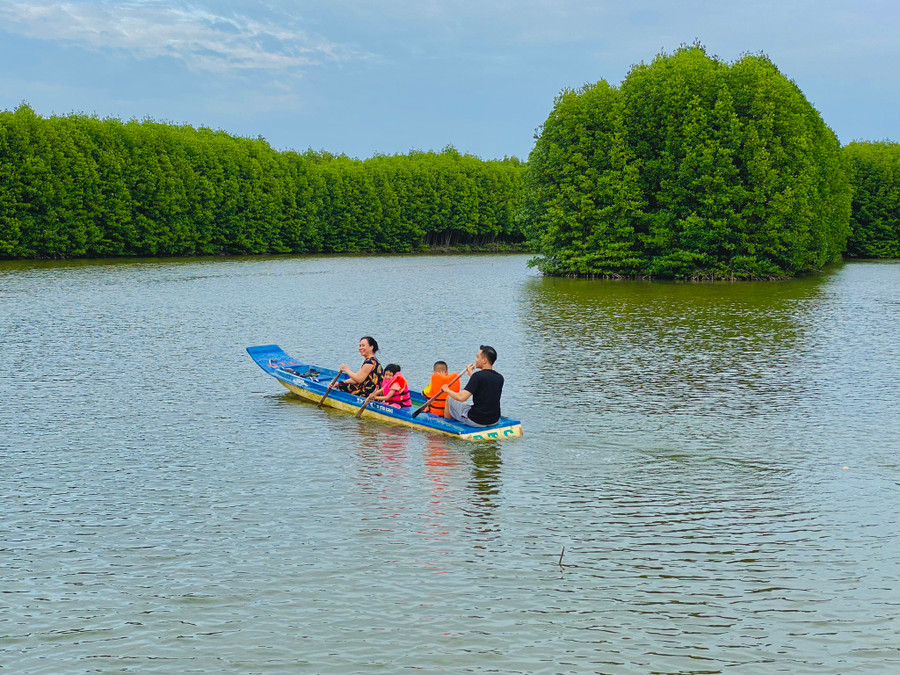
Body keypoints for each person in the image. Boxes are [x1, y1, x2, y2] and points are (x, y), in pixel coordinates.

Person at [442, 345, 503, 427]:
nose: (475, 359)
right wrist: (471, 374)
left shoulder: (477, 377)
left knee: (449, 399)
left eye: (477, 357)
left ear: (484, 360)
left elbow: (461, 398)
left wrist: (447, 390)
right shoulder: (499, 377)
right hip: (494, 420)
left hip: (476, 420)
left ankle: (447, 426)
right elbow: (484, 384)